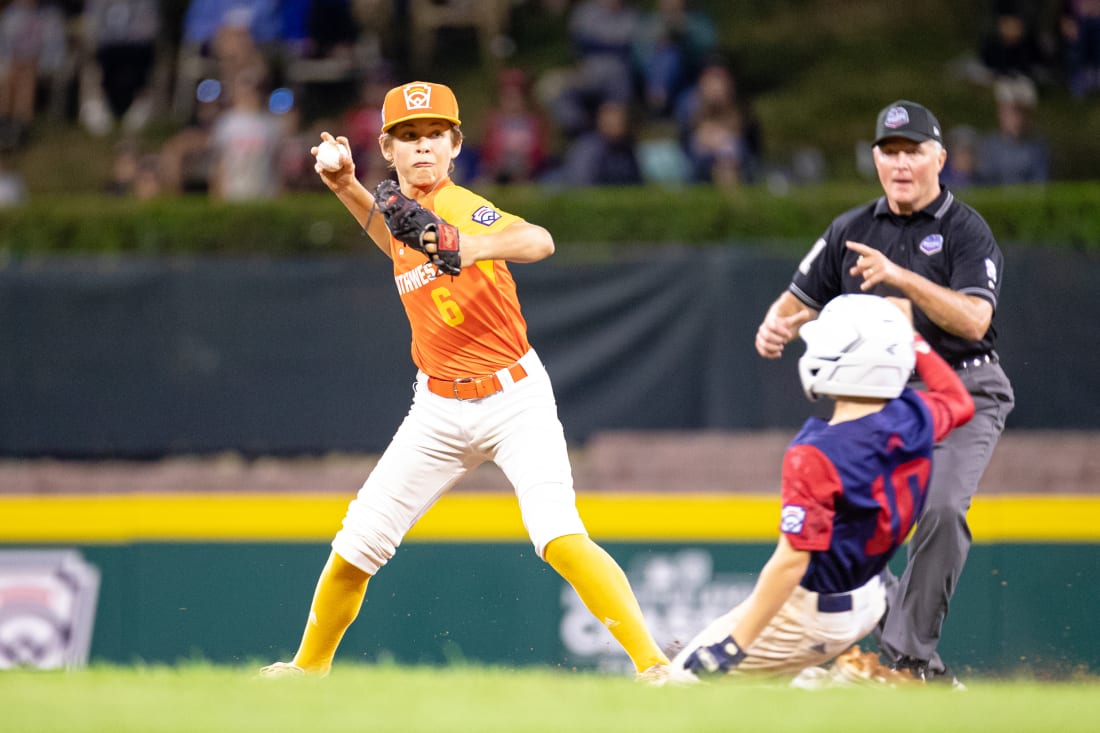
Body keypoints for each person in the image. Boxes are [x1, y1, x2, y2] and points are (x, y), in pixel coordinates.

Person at [258, 80, 669, 680]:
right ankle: (307, 671)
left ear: (455, 146)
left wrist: (468, 246)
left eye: (434, 135)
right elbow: (395, 241)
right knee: (355, 548)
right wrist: (344, 184)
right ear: (388, 150)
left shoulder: (456, 206)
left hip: (514, 399)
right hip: (437, 409)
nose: (422, 147)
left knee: (558, 534)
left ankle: (655, 667)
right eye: (408, 136)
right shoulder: (405, 217)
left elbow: (539, 241)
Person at [753, 100, 1015, 684]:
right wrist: (777, 324)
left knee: (941, 510)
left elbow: (975, 319)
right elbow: (796, 300)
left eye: (912, 151)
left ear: (939, 159)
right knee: (839, 520)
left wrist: (902, 279)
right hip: (882, 396)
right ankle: (909, 662)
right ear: (875, 159)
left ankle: (908, 660)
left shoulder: (965, 229)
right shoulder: (851, 229)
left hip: (963, 388)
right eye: (889, 151)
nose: (900, 163)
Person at [668, 294, 974, 684]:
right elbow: (959, 401)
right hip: (869, 600)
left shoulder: (816, 454)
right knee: (756, 679)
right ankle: (816, 680)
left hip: (814, 613)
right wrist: (911, 337)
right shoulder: (914, 416)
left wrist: (733, 646)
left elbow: (792, 562)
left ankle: (844, 687)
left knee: (682, 683)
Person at [976, 76, 1049, 185]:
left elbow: (1040, 182)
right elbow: (984, 181)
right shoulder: (989, 146)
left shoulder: (1037, 147)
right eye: (1009, 113)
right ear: (1000, 114)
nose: (1015, 118)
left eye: (1020, 113)